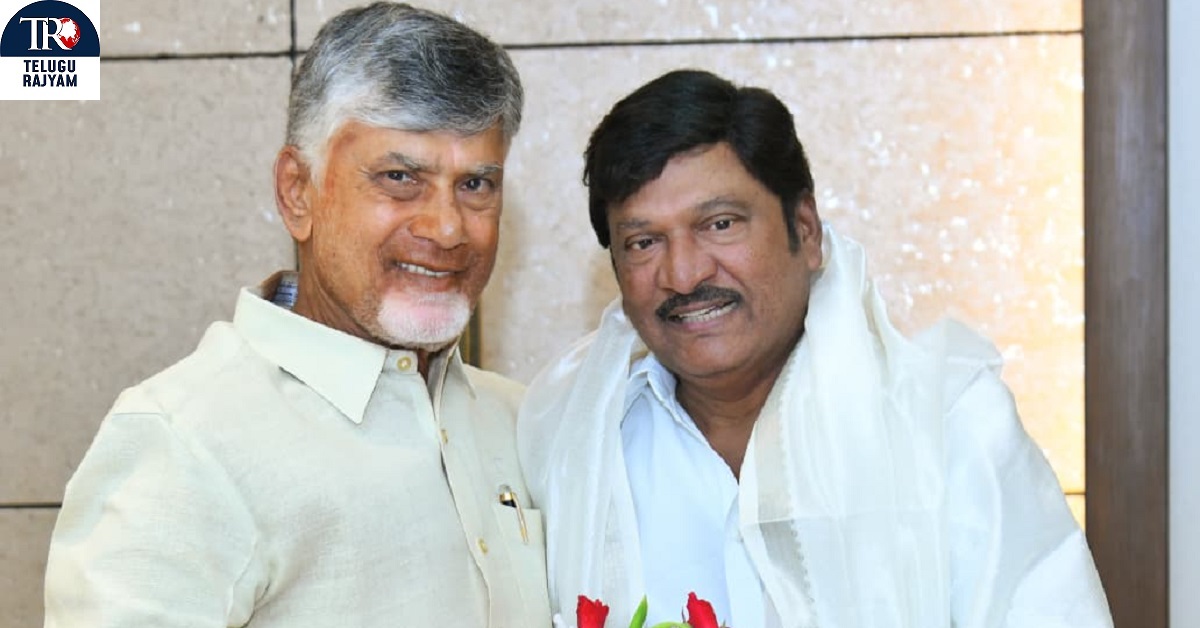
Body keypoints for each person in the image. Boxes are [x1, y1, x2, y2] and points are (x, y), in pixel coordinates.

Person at [518, 69, 1112, 628]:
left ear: (805, 230)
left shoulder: (947, 425)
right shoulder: (572, 444)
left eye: (720, 224)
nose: (684, 273)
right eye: (644, 242)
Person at [43, 3, 550, 626]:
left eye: (475, 185)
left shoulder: (524, 422)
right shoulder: (185, 441)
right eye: (399, 177)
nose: (447, 229)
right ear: (297, 192)